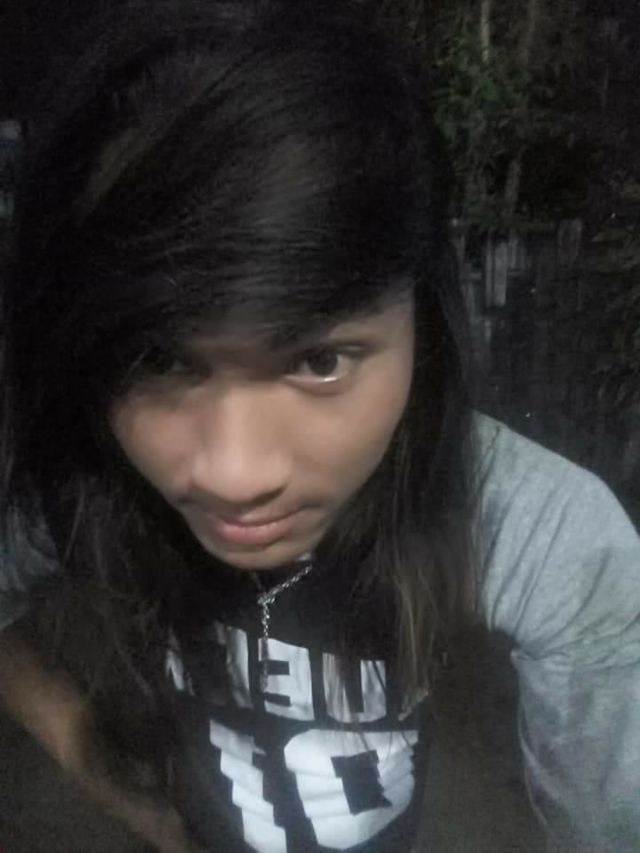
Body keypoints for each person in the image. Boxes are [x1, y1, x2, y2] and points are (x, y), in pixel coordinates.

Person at [0, 1, 638, 851]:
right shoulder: (85, 478)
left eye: (321, 359)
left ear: (422, 323)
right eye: (155, 359)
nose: (234, 474)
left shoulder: (540, 527)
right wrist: (107, 772)